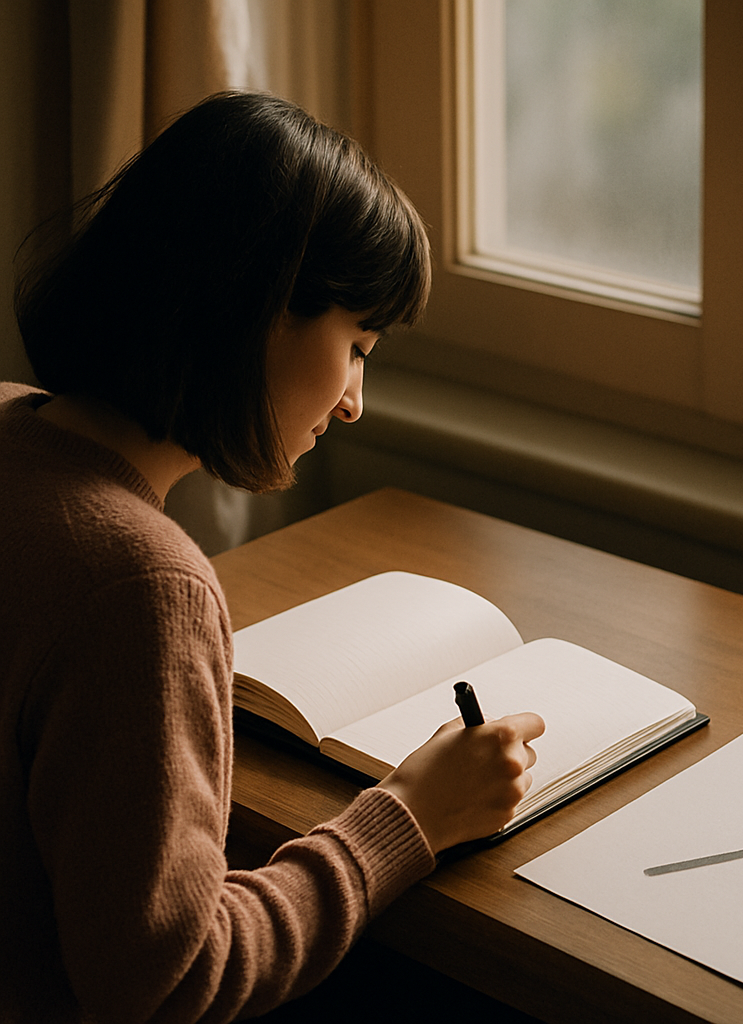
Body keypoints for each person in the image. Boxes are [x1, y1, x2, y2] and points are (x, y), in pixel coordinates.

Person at [0, 91, 545, 1023]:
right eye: (357, 345)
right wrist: (410, 816)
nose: (354, 402)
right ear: (259, 310)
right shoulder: (141, 585)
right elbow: (167, 981)